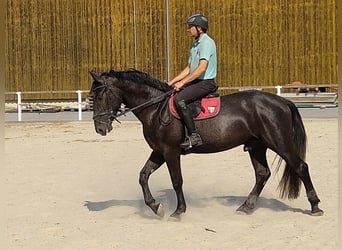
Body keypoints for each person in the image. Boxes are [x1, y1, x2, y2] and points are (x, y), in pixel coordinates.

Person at [168, 13, 217, 150]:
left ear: (199, 28)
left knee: (179, 99)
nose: (188, 29)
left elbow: (201, 68)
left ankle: (194, 135)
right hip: (196, 82)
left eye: (190, 27)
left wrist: (182, 83)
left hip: (205, 83)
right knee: (171, 94)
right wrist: (171, 82)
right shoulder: (195, 44)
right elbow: (190, 68)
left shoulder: (207, 43)